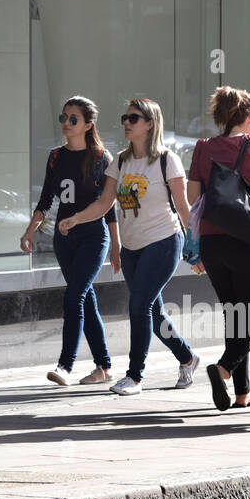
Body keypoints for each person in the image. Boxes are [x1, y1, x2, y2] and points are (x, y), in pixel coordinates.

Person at [60, 97, 199, 395]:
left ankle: (134, 376)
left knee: (139, 305)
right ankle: (187, 358)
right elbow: (103, 204)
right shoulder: (121, 161)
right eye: (125, 117)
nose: (126, 122)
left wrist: (197, 247)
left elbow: (184, 208)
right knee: (155, 313)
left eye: (133, 118)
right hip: (132, 247)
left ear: (150, 124)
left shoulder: (166, 160)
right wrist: (76, 219)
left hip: (163, 241)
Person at [187, 86, 250, 412]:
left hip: (214, 242)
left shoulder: (203, 148)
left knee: (235, 314)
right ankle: (223, 369)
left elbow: (193, 197)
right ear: (247, 118)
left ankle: (243, 393)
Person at [21, 96, 119, 387]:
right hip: (64, 240)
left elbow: (109, 205)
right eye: (63, 117)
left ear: (88, 124)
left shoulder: (102, 158)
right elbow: (46, 198)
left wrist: (116, 245)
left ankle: (65, 365)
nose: (66, 123)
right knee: (85, 299)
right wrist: (30, 229)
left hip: (93, 237)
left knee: (74, 296)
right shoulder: (56, 156)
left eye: (73, 119)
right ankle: (104, 367)